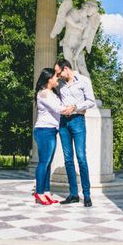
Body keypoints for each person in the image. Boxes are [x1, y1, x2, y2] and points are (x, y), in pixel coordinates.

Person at [55, 59, 96, 207]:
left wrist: (75, 107)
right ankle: (73, 194)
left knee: (81, 157)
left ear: (66, 69)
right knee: (68, 159)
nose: (57, 76)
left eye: (58, 73)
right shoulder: (59, 84)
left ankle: (87, 195)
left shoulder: (83, 81)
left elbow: (91, 101)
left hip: (78, 120)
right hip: (63, 122)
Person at [33, 68, 75, 205]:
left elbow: (59, 106)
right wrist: (74, 108)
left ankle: (46, 192)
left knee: (48, 163)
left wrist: (70, 107)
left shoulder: (51, 93)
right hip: (44, 130)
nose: (57, 78)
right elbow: (57, 109)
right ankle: (39, 193)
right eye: (55, 76)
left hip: (51, 130)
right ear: (48, 79)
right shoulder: (44, 93)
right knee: (44, 162)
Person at [50, 0, 101, 78]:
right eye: (93, 11)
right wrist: (77, 25)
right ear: (88, 7)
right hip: (67, 44)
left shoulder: (87, 22)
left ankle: (88, 87)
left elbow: (85, 40)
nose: (93, 13)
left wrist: (77, 53)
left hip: (78, 47)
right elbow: (67, 18)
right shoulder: (73, 11)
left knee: (83, 68)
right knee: (70, 68)